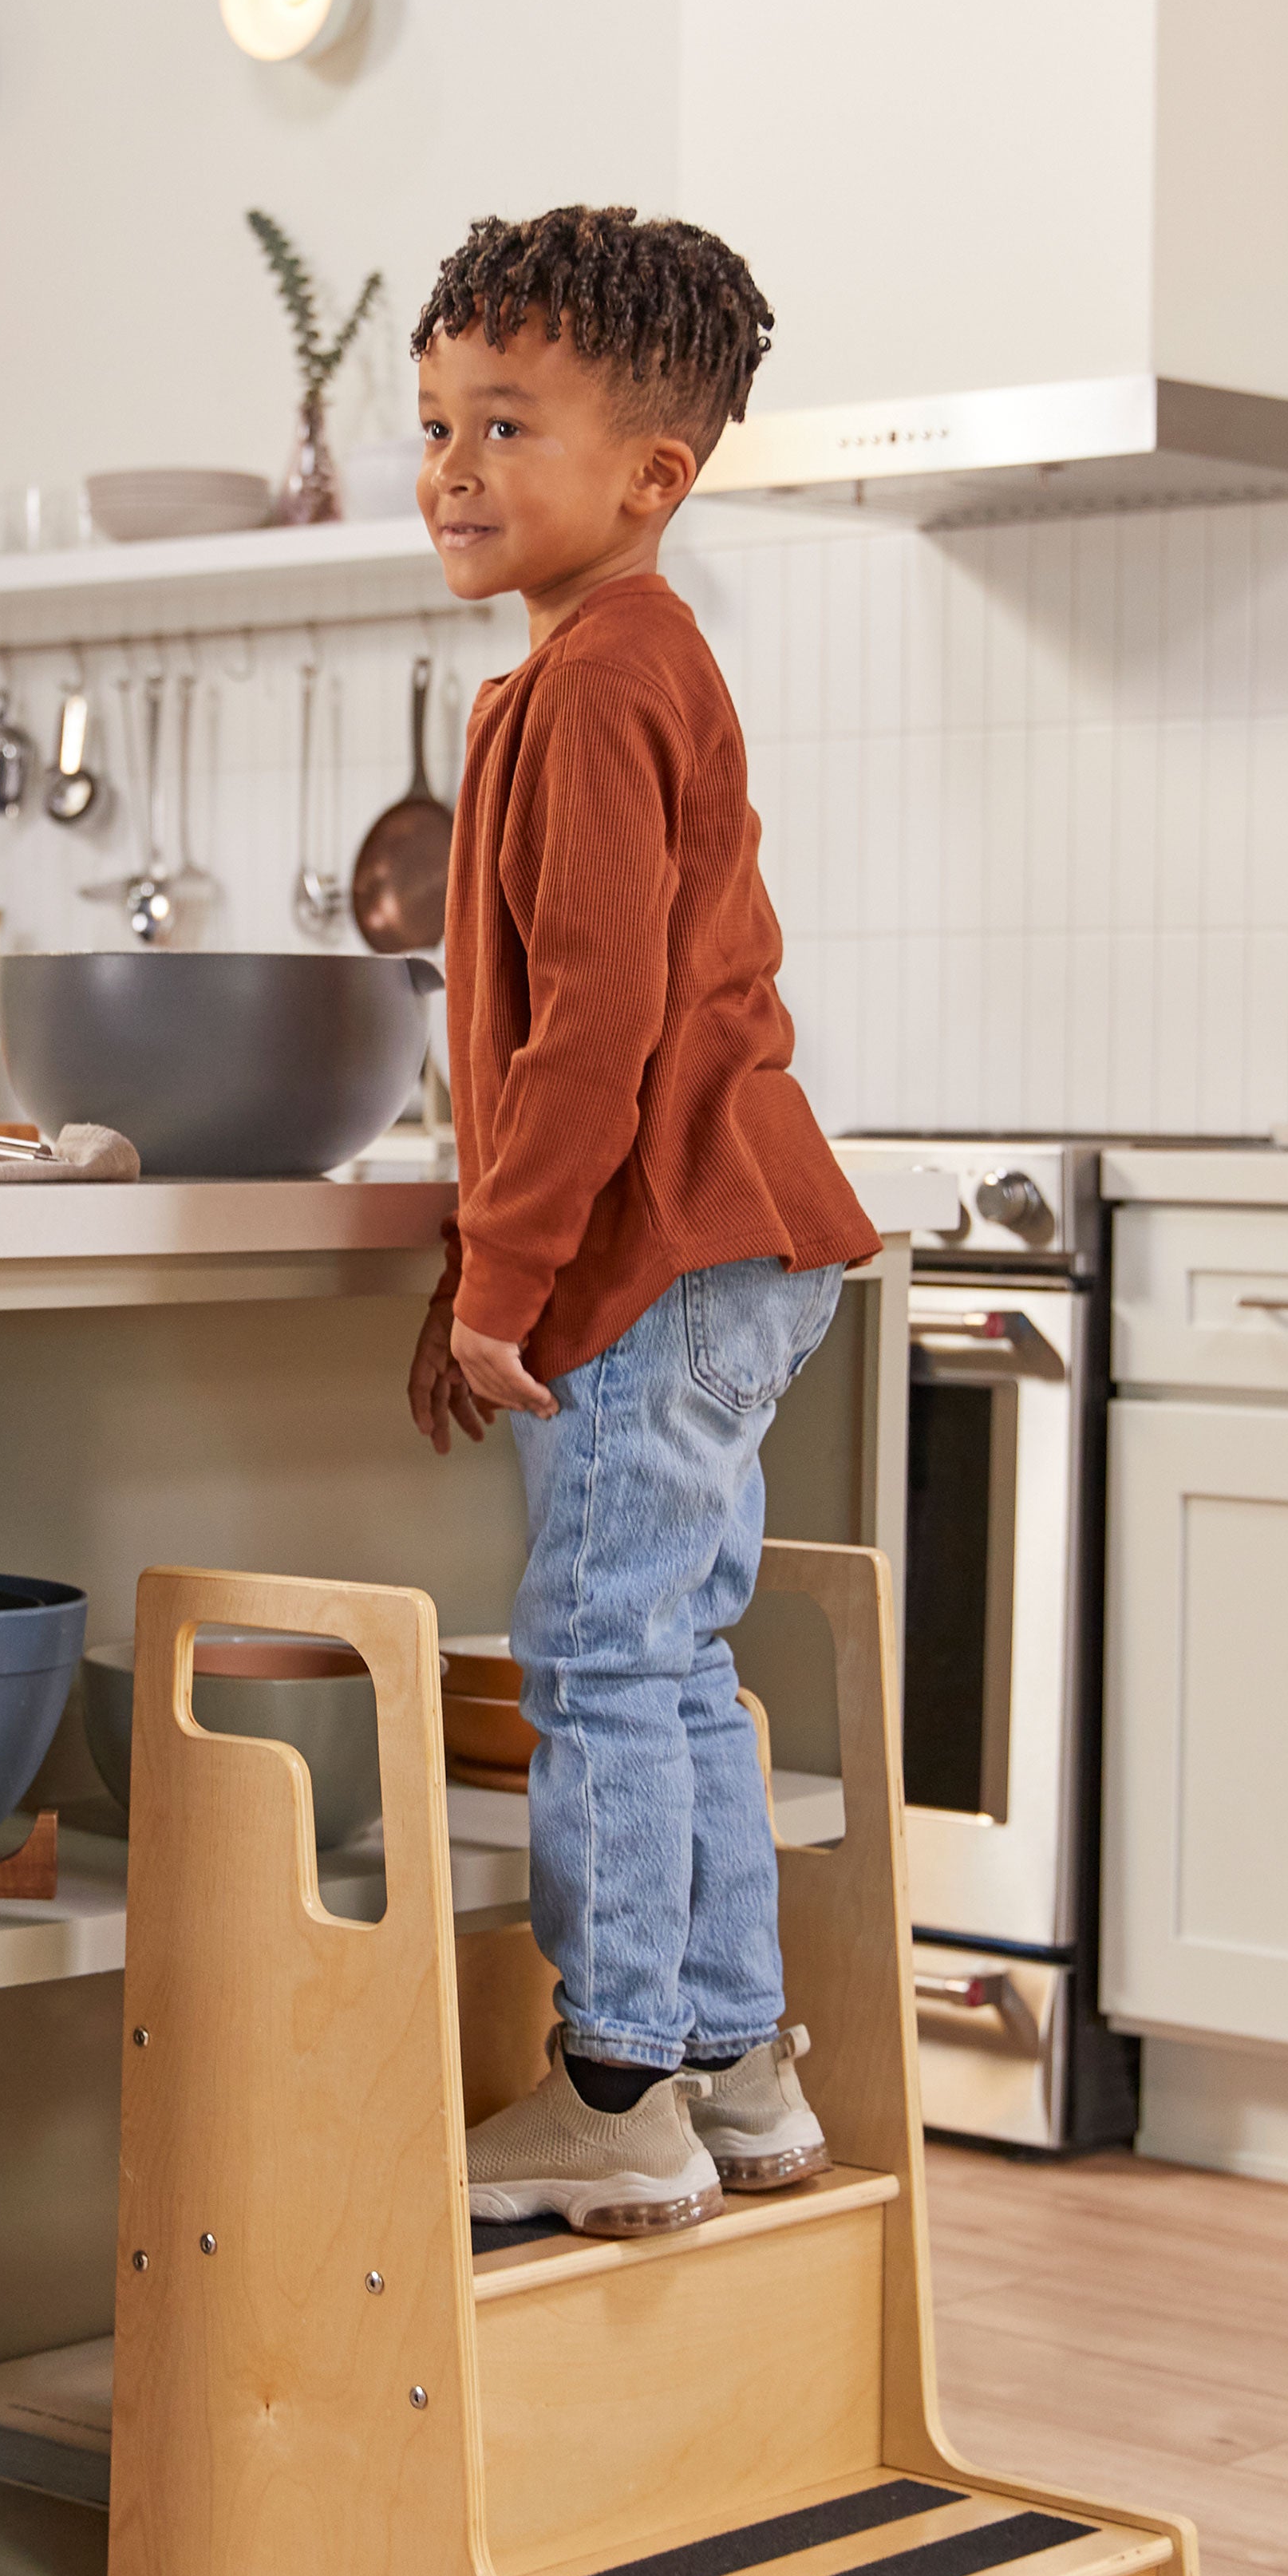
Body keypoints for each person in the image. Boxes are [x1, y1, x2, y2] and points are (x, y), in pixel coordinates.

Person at [403, 206, 878, 2241]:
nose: (447, 467)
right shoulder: (611, 664)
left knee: (601, 1657)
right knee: (675, 1664)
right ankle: (732, 2063)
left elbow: (592, 1015)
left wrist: (500, 1273)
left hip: (654, 1251)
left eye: (504, 425)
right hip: (734, 1240)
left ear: (652, 476)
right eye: (433, 421)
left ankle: (610, 2087)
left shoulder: (598, 681)